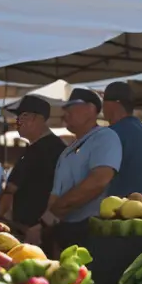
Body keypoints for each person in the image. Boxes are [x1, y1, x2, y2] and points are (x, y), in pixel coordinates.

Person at [34, 88, 122, 252]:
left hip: (90, 229)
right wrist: (44, 223)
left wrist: (55, 211)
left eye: (71, 107)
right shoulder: (68, 150)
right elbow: (55, 194)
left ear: (91, 109)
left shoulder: (105, 137)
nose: (65, 112)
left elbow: (99, 181)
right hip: (64, 229)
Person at [0, 95, 67, 235]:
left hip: (33, 231)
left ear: (38, 118)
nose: (17, 122)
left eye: (23, 116)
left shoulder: (41, 150)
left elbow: (10, 190)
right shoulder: (57, 147)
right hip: (45, 228)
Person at [102, 82, 142, 197]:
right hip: (141, 210)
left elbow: (99, 178)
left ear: (113, 104)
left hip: (113, 210)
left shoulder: (111, 134)